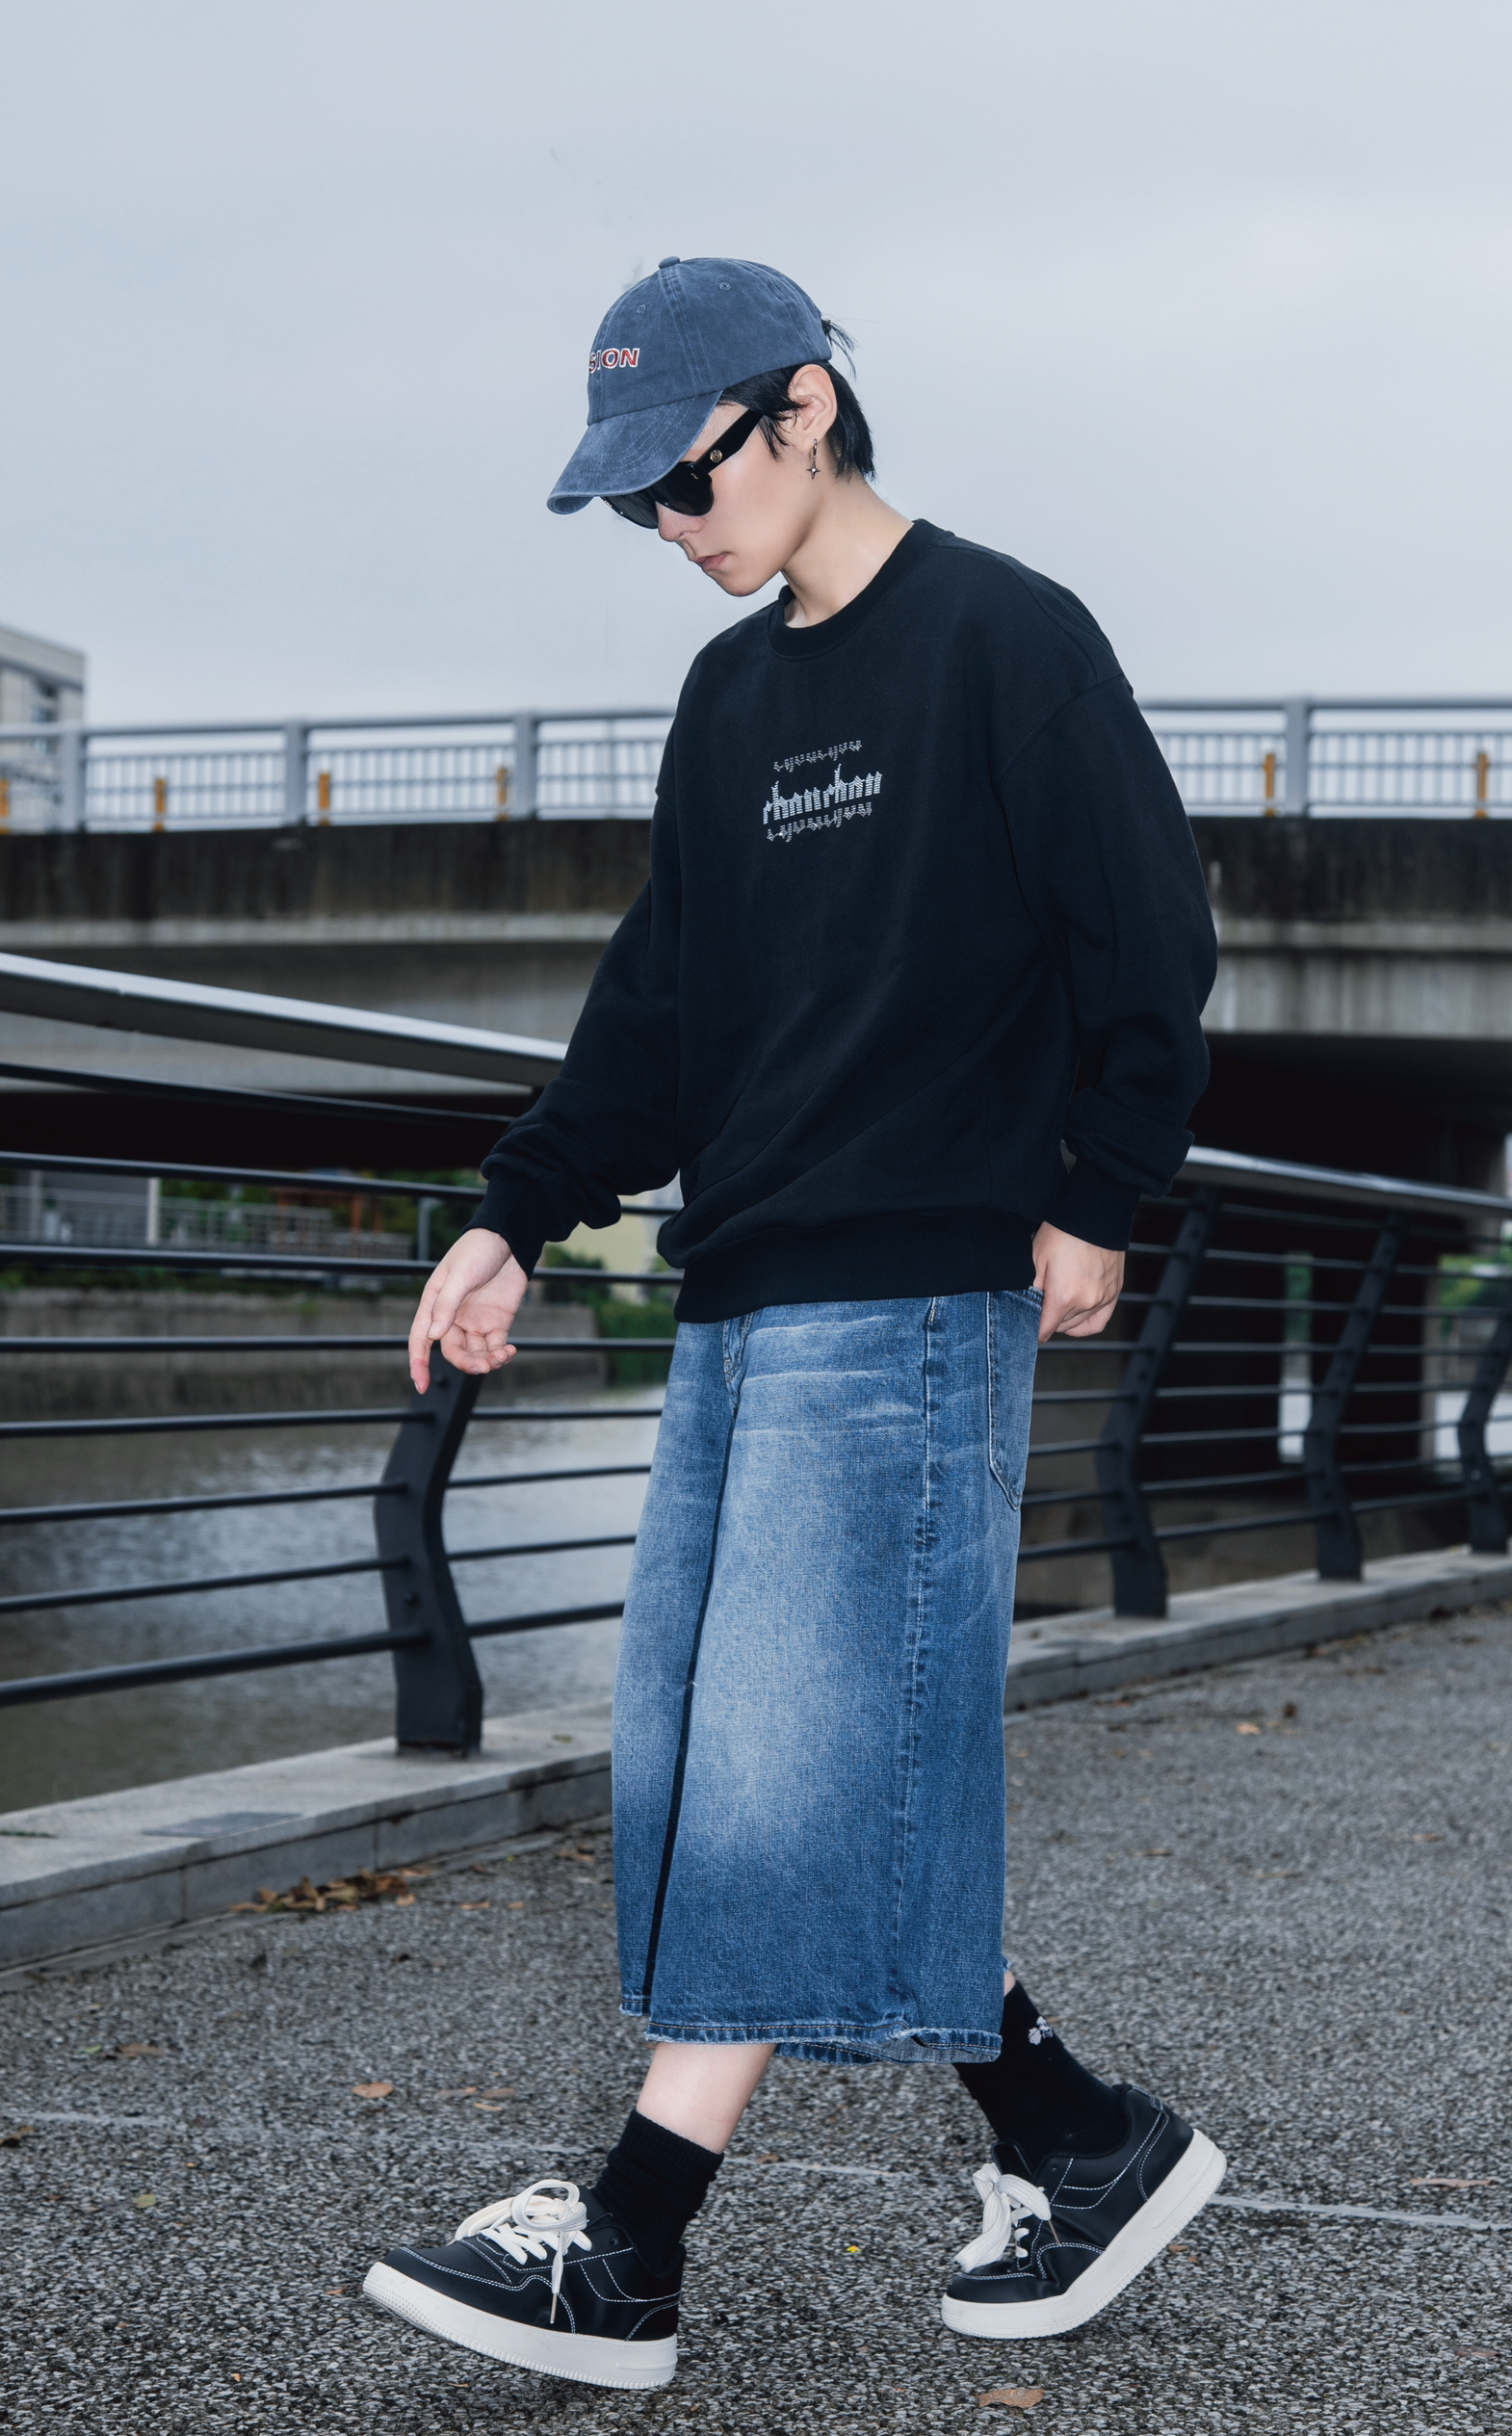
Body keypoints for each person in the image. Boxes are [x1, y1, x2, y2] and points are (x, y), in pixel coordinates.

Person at [363, 256, 1222, 2394]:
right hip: (740, 1296)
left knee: (779, 1772)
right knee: (727, 1767)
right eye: (631, 502)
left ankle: (628, 2246)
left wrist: (1101, 1187)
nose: (669, 526)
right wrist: (517, 1215)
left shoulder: (1008, 637)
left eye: (687, 479)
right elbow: (660, 1010)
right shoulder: (728, 701)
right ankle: (1078, 2136)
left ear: (806, 408)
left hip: (918, 1290)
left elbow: (1148, 929)